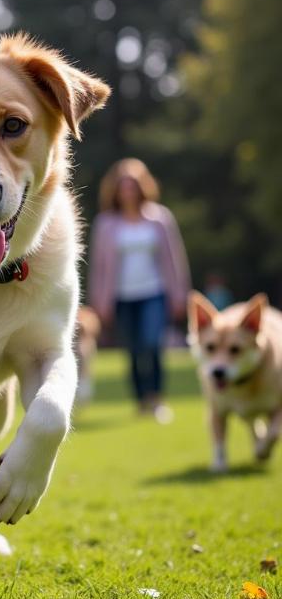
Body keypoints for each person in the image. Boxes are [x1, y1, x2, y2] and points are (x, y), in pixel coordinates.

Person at [89, 158, 190, 422]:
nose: (128, 191)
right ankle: (141, 400)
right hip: (121, 297)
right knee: (133, 350)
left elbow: (174, 258)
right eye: (122, 186)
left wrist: (180, 294)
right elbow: (98, 267)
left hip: (154, 293)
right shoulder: (106, 224)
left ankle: (156, 398)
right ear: (115, 190)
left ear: (141, 187)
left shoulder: (159, 219)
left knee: (151, 343)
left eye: (132, 185)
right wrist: (100, 301)